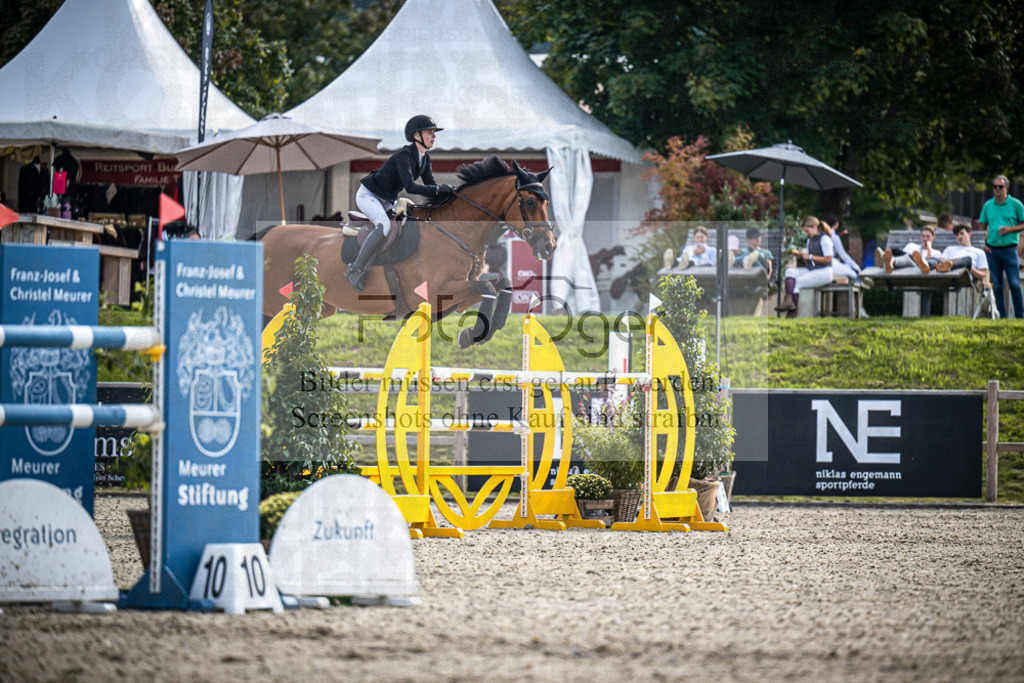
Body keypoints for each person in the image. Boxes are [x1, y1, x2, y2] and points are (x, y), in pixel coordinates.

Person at [344, 115, 455, 291]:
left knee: (404, 224)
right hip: (369, 195)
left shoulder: (424, 158)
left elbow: (431, 185)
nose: (433, 136)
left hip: (387, 199)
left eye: (434, 133)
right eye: (429, 133)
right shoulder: (404, 155)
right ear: (416, 135)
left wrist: (449, 195)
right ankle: (355, 267)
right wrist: (438, 190)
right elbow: (410, 187)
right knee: (384, 225)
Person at [978, 175, 1024, 318]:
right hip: (992, 250)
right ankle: (1002, 317)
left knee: (1014, 284)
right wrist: (983, 244)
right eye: (995, 186)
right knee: (997, 286)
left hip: (1010, 249)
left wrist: (1010, 229)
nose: (997, 189)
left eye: (1000, 187)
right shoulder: (988, 205)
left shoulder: (1016, 204)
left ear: (1006, 188)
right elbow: (981, 227)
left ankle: (1020, 317)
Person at [776, 216, 833, 315]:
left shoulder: (825, 239)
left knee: (797, 282)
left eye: (807, 231)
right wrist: (802, 256)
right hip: (813, 269)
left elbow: (828, 259)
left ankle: (793, 312)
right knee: (789, 271)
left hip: (825, 272)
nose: (806, 234)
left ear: (815, 227)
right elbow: (811, 257)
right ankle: (789, 301)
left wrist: (810, 257)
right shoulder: (809, 240)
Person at [879, 225, 944, 274]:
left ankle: (886, 260)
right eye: (923, 236)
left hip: (917, 269)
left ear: (933, 237)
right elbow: (901, 256)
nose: (925, 239)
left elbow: (929, 264)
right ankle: (889, 261)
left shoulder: (936, 252)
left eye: (928, 236)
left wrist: (929, 249)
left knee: (908, 257)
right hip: (904, 267)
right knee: (897, 252)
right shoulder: (911, 246)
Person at [822, 214, 862, 283]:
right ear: (836, 224)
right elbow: (843, 255)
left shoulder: (819, 235)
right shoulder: (833, 236)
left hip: (819, 264)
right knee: (854, 274)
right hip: (830, 264)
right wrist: (856, 266)